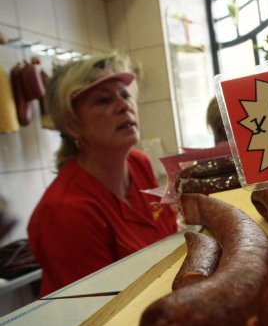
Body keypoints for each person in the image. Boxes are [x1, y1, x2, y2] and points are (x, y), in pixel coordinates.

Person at [28, 53, 178, 296]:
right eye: (103, 100)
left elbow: (167, 235)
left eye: (125, 95)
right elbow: (99, 308)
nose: (124, 106)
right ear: (71, 124)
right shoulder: (65, 210)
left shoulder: (139, 164)